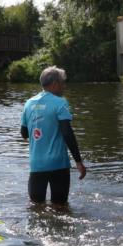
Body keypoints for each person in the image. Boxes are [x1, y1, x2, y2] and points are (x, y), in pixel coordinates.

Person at [20, 66, 87, 204]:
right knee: (61, 207)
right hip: (58, 164)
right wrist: (78, 161)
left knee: (36, 207)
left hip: (36, 165)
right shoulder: (60, 103)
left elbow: (24, 133)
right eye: (63, 83)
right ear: (55, 84)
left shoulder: (29, 104)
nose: (64, 86)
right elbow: (67, 133)